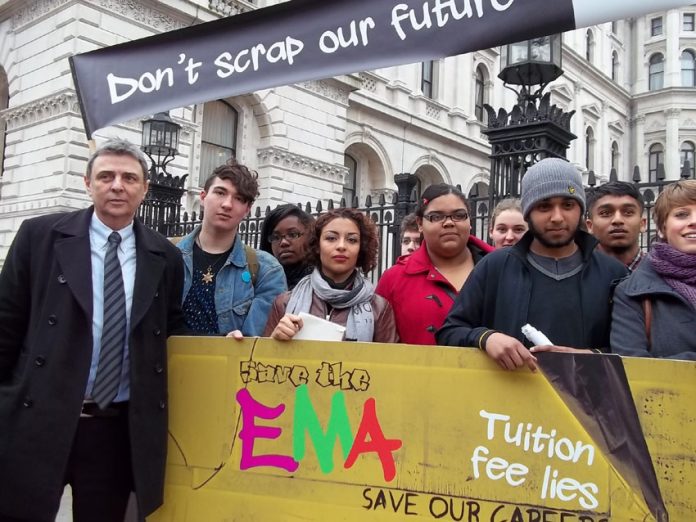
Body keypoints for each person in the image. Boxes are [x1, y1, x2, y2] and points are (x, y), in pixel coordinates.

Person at [0, 138, 186, 521]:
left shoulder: (164, 256)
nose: (117, 185)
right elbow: (6, 323)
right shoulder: (40, 237)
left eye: (129, 177)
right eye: (106, 176)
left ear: (145, 189)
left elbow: (170, 330)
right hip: (39, 417)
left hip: (114, 431)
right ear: (88, 183)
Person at [437, 158, 627, 370]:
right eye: (544, 206)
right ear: (528, 213)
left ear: (580, 210)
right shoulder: (495, 267)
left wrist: (589, 356)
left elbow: (632, 352)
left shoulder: (613, 274)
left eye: (567, 205)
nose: (557, 217)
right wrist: (487, 338)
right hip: (506, 400)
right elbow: (449, 332)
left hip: (589, 400)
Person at [177, 159, 286, 337]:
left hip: (229, 364)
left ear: (247, 209)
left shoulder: (266, 270)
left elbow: (255, 344)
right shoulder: (166, 254)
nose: (227, 204)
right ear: (203, 197)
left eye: (239, 198)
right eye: (220, 193)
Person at [376, 184, 493, 345]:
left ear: (470, 221)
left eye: (459, 215)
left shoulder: (502, 269)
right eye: (436, 217)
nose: (449, 223)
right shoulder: (393, 279)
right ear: (419, 224)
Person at [264, 208, 398, 343]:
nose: (341, 246)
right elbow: (262, 361)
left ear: (361, 248)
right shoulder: (284, 303)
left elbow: (389, 362)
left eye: (351, 240)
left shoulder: (379, 308)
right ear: (317, 245)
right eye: (331, 238)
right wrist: (274, 340)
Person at [611, 180, 696, 359]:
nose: (693, 222)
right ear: (662, 229)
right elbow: (635, 368)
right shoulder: (632, 292)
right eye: (682, 214)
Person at [586, 181, 646, 272]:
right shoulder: (575, 275)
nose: (617, 220)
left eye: (628, 212)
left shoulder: (664, 275)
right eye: (605, 213)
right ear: (590, 226)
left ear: (642, 224)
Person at [259, 203, 315, 290]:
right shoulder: (259, 279)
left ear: (311, 236)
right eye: (276, 237)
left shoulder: (322, 280)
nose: (283, 242)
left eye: (293, 234)